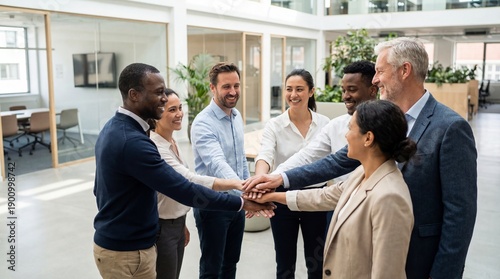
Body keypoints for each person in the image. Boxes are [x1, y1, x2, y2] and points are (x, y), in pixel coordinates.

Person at [244, 37, 478, 279]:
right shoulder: (386, 117)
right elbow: (334, 165)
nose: (375, 80)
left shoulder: (450, 128)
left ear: (405, 70)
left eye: (379, 71)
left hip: (420, 258)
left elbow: (460, 215)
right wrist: (277, 180)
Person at [93, 63, 274, 279]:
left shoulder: (116, 128)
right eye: (159, 93)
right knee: (211, 266)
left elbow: (100, 190)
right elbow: (184, 187)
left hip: (137, 241)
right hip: (125, 251)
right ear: (134, 95)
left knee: (228, 263)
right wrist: (243, 199)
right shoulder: (133, 142)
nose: (164, 97)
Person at [247, 99, 416, 279]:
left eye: (350, 129)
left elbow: (387, 274)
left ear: (368, 138)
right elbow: (325, 196)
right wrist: (271, 196)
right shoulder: (362, 173)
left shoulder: (390, 197)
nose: (346, 136)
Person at [149, 88, 246, 279]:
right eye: (171, 110)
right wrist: (239, 186)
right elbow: (189, 179)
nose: (179, 114)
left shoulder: (172, 141)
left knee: (229, 263)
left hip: (176, 223)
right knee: (207, 268)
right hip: (166, 226)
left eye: (180, 108)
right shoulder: (157, 148)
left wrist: (181, 223)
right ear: (157, 114)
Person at [254, 69, 330, 278]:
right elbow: (265, 155)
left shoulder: (325, 124)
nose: (293, 95)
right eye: (289, 89)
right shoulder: (275, 125)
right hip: (282, 198)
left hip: (316, 198)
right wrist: (259, 179)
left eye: (299, 89)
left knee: (317, 261)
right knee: (284, 261)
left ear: (311, 91)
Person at [273, 61, 378, 183]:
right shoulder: (335, 126)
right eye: (343, 90)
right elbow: (306, 156)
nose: (345, 96)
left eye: (352, 90)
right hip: (340, 199)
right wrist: (273, 178)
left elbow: (335, 164)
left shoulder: (388, 125)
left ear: (373, 90)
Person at [190, 62, 249, 279]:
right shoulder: (203, 123)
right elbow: (217, 164)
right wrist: (247, 192)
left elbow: (240, 158)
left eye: (236, 85)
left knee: (231, 262)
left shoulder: (236, 116)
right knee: (212, 267)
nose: (233, 92)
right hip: (212, 204)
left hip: (236, 202)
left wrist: (248, 188)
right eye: (226, 86)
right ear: (213, 88)